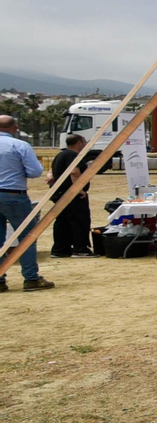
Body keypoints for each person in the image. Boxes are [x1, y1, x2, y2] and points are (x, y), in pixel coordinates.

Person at [0, 115, 52, 291]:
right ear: (14, 128)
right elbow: (35, 171)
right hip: (14, 194)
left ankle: (0, 279)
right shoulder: (20, 145)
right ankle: (31, 278)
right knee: (26, 237)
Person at [46, 133, 94, 259]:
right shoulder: (73, 155)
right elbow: (74, 172)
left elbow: (50, 172)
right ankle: (80, 249)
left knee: (62, 222)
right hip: (71, 195)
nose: (85, 145)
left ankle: (60, 249)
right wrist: (80, 190)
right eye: (84, 142)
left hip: (60, 194)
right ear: (79, 143)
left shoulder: (60, 154)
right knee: (79, 221)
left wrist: (52, 178)